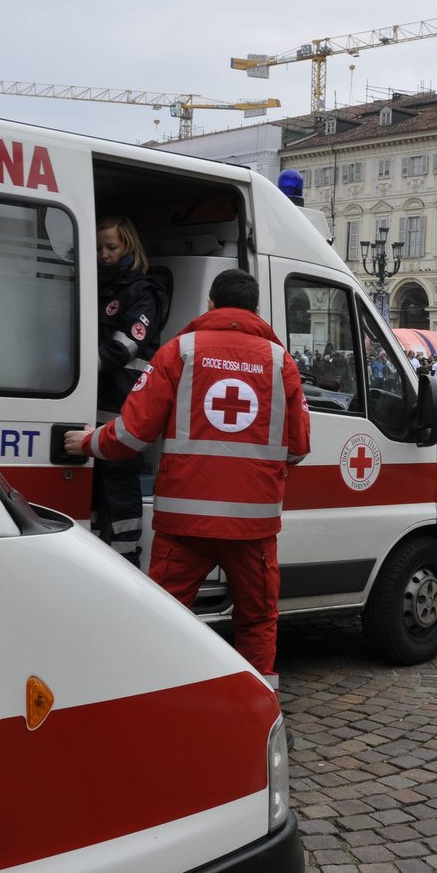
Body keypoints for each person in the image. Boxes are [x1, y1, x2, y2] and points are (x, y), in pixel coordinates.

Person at [65, 268, 311, 687]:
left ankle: (159, 700)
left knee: (166, 616)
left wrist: (88, 442)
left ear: (211, 304)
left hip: (184, 524)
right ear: (256, 309)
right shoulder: (280, 362)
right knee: (257, 620)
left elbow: (131, 434)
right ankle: (257, 714)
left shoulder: (181, 351)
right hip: (252, 527)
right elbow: (299, 446)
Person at [90, 216, 166, 566]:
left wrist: (74, 370)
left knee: (120, 490)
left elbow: (124, 347)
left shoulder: (142, 292)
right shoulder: (98, 286)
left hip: (124, 407)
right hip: (93, 404)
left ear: (129, 247)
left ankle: (126, 563)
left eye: (111, 247)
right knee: (93, 490)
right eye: (99, 248)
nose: (104, 254)